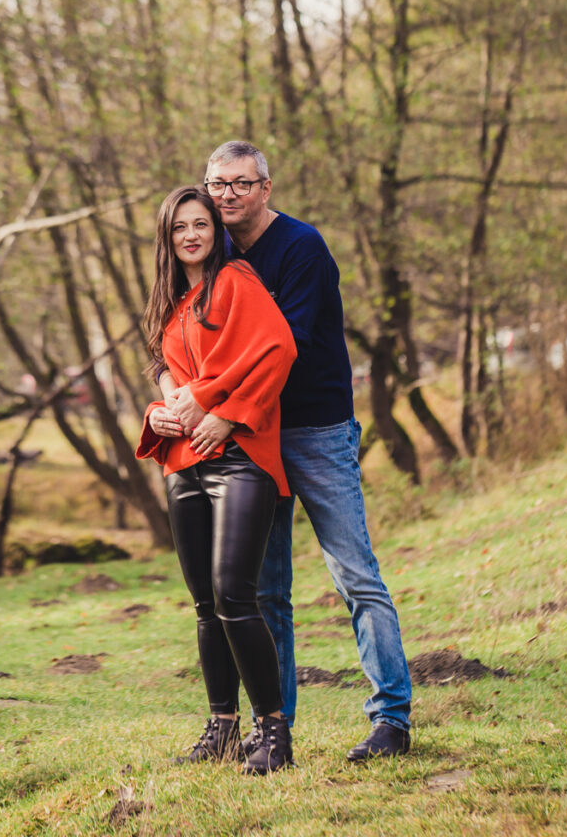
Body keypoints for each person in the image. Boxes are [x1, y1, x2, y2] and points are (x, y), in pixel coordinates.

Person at [162, 143, 412, 762]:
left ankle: (392, 718)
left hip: (314, 428)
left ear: (266, 188)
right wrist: (185, 397)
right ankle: (273, 725)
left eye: (241, 185)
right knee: (263, 592)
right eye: (217, 184)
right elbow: (178, 337)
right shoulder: (211, 255)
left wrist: (217, 409)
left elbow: (283, 345)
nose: (227, 196)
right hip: (252, 440)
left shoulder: (300, 247)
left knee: (354, 574)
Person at [138, 185, 297, 775]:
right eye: (179, 227)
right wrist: (159, 414)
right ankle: (223, 728)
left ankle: (274, 734)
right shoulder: (174, 301)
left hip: (238, 459)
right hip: (185, 463)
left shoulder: (236, 281)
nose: (190, 235)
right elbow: (167, 376)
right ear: (167, 237)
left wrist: (223, 411)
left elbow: (276, 349)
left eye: (200, 223)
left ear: (216, 229)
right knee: (205, 604)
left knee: (236, 595)